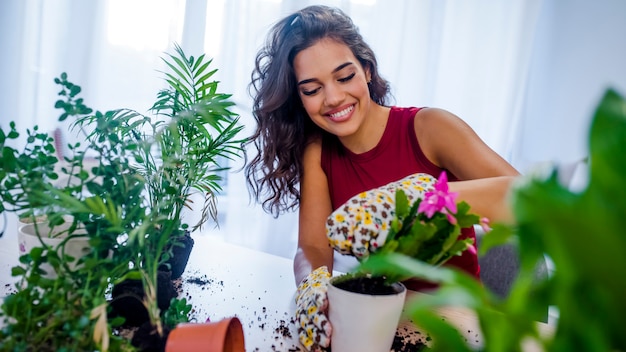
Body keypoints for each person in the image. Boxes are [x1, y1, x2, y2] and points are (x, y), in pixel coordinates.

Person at [245, 5, 520, 351]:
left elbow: (523, 194)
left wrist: (421, 199)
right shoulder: (318, 151)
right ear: (299, 99)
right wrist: (310, 286)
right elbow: (314, 245)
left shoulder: (430, 128)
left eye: (344, 77)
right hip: (381, 319)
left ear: (368, 71)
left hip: (455, 325)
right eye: (312, 89)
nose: (333, 98)